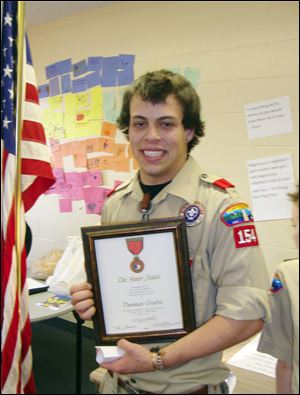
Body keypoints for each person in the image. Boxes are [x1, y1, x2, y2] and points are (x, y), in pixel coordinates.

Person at [71, 69, 270, 394]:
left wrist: (156, 360)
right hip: (116, 385)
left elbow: (247, 316)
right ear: (128, 130)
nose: (151, 136)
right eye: (139, 123)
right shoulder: (115, 205)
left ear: (188, 130)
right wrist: (92, 299)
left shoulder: (223, 208)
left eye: (166, 123)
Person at [258, 187, 299, 394]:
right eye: (294, 225)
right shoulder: (287, 277)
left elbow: (287, 364)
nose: (295, 235)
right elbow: (285, 362)